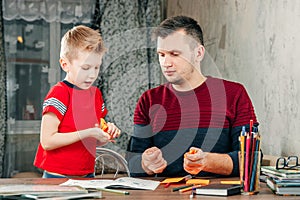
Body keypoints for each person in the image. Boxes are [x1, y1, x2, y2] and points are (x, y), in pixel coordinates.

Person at [126, 15, 258, 177]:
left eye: (174, 54)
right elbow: (132, 163)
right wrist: (145, 164)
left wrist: (207, 161)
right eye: (161, 54)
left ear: (199, 53)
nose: (166, 63)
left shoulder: (234, 94)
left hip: (218, 194)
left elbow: (251, 159)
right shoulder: (148, 100)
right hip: (165, 194)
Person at [34, 25, 121, 178]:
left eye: (96, 67)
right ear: (65, 64)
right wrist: (88, 132)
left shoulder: (96, 95)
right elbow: (47, 141)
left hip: (87, 174)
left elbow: (92, 141)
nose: (92, 75)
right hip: (57, 177)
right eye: (85, 68)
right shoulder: (59, 93)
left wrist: (105, 134)